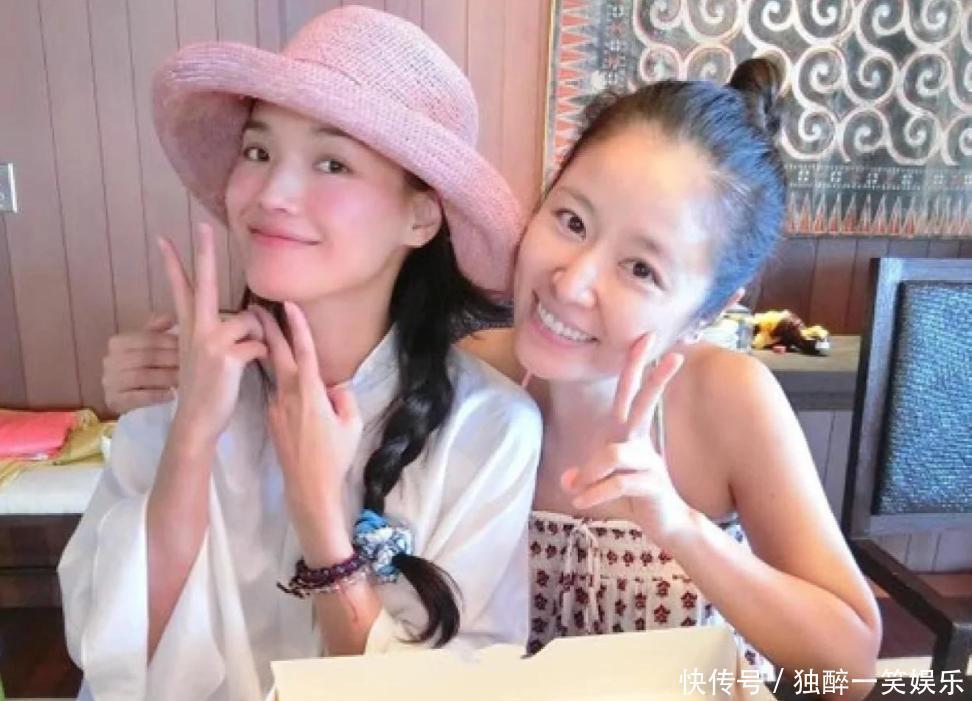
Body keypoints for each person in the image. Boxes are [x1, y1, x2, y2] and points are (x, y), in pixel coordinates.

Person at [101, 56, 882, 696]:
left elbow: (849, 665)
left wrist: (677, 524)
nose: (572, 281)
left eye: (641, 268)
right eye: (571, 220)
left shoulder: (726, 398)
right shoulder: (469, 381)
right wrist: (161, 373)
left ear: (708, 310)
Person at [60, 7, 541, 700]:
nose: (273, 194)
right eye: (258, 152)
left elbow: (456, 686)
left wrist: (320, 516)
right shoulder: (186, 377)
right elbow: (109, 648)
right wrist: (191, 434)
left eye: (332, 163)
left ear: (420, 215)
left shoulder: (488, 429)